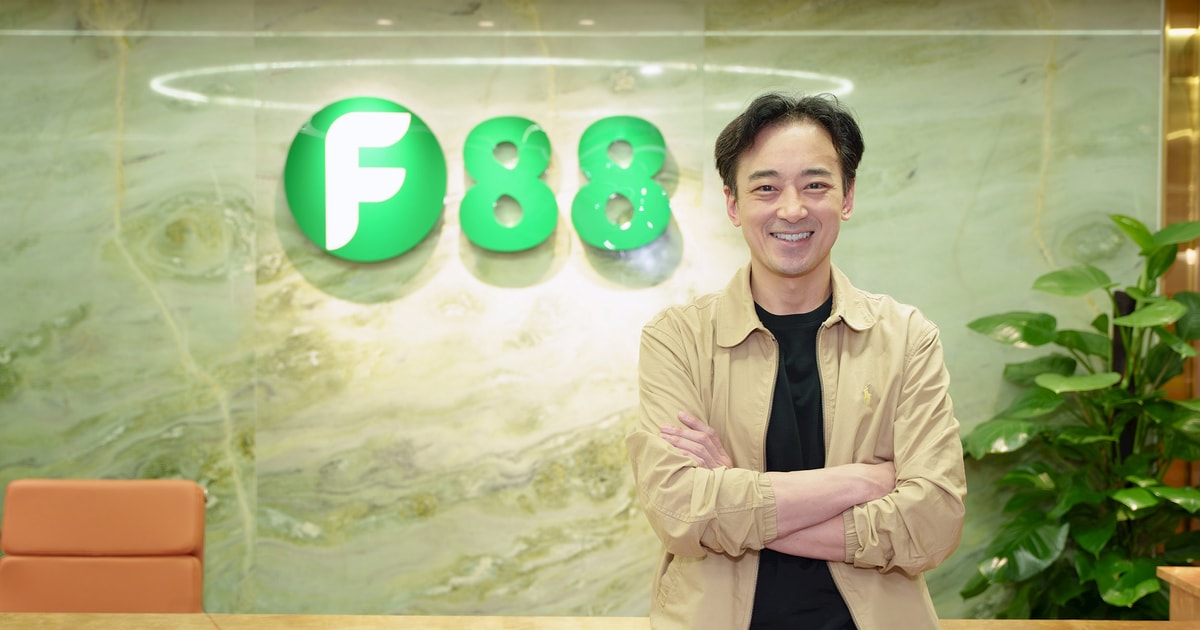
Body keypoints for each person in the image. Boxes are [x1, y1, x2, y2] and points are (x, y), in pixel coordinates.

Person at [625, 92, 967, 630]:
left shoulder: (905, 338)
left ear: (847, 196)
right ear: (733, 204)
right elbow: (679, 512)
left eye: (815, 185)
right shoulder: (678, 339)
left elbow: (933, 523)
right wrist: (862, 482)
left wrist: (734, 493)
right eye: (766, 187)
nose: (792, 209)